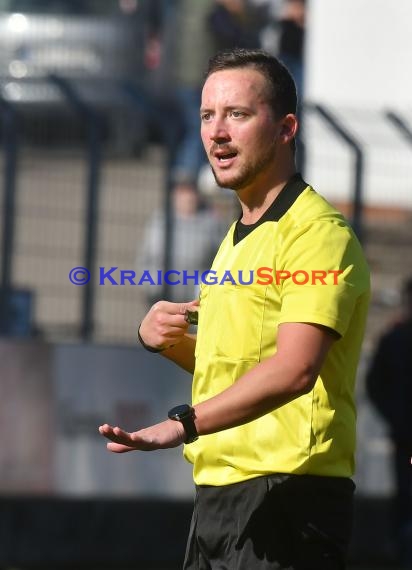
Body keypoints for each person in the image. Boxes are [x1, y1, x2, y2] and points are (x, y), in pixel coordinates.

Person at [99, 48, 370, 569]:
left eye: (237, 114)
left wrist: (183, 423)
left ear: (286, 127)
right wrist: (166, 338)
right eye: (207, 115)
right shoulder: (235, 242)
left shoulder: (317, 236)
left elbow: (294, 369)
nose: (216, 132)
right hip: (220, 493)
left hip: (287, 494)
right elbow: (233, 366)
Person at [366, 277, 412, 567]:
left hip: (403, 433)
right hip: (404, 433)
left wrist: (395, 417)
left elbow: (375, 384)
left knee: (405, 497)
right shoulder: (395, 338)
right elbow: (376, 384)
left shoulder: (394, 337)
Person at [138, 178, 224, 305]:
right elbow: (144, 260)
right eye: (183, 191)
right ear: (174, 194)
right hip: (161, 298)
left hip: (197, 301)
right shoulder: (159, 221)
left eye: (191, 192)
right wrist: (151, 286)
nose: (188, 197)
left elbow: (222, 261)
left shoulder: (211, 223)